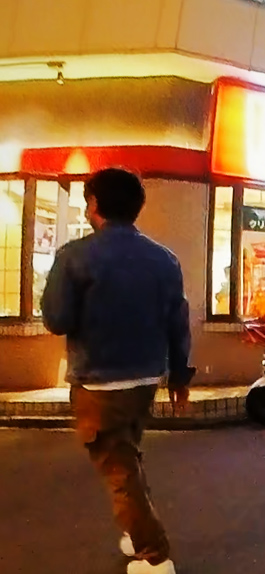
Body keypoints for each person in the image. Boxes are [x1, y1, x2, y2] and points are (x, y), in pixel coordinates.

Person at [41, 168, 192, 574]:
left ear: (94, 204)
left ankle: (154, 557)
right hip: (146, 380)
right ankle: (136, 529)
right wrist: (180, 377)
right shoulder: (164, 259)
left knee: (119, 470)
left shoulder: (74, 256)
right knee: (128, 458)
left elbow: (56, 318)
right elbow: (178, 322)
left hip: (98, 383)